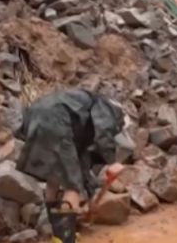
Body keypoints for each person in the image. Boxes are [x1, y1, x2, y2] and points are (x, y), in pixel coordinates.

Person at [16, 89, 131, 243]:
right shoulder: (110, 108)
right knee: (73, 186)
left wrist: (91, 199)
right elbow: (104, 130)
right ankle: (66, 239)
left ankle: (58, 236)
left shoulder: (81, 128)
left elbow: (81, 168)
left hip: (34, 118)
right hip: (57, 120)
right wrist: (112, 162)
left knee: (54, 179)